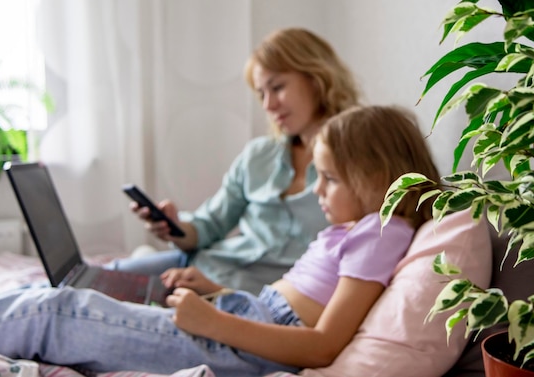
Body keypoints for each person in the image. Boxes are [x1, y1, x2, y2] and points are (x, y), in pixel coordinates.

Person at [0, 105, 442, 377]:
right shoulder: (360, 227)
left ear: (375, 174)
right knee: (66, 298)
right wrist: (217, 296)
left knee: (60, 310)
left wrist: (215, 322)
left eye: (328, 178)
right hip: (247, 314)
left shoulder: (382, 229)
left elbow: (325, 344)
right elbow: (296, 297)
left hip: (250, 341)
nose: (315, 188)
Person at [110, 27, 360, 295]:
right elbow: (210, 225)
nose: (268, 105)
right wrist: (173, 227)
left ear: (317, 79)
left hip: (240, 296)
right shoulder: (259, 155)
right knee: (94, 280)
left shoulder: (357, 162)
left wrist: (220, 293)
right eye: (261, 93)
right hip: (200, 263)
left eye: (277, 88)